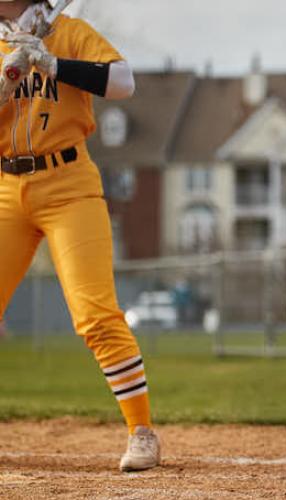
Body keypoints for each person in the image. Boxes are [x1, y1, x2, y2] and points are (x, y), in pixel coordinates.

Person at [0, 0, 159, 471]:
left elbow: (123, 83)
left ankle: (142, 434)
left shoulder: (69, 32)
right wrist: (7, 79)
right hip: (7, 188)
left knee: (95, 314)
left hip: (69, 184)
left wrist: (53, 64)